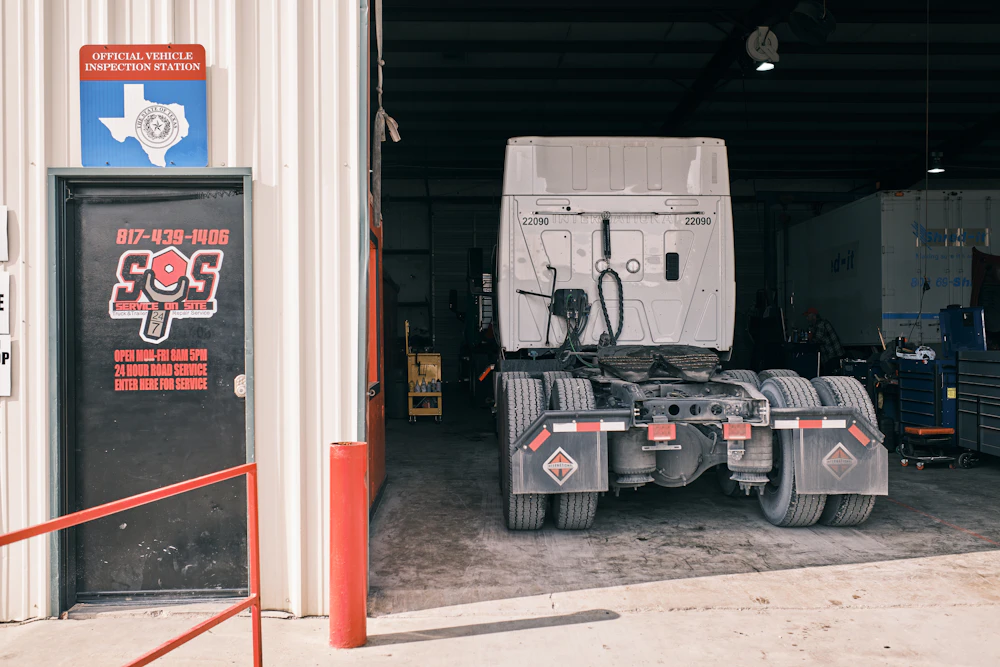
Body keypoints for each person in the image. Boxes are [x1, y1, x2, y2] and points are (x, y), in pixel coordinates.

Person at [805, 307, 845, 375]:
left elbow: (816, 340)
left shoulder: (821, 324)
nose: (807, 318)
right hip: (830, 356)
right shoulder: (815, 325)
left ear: (814, 316)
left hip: (833, 355)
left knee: (830, 375)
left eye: (808, 316)